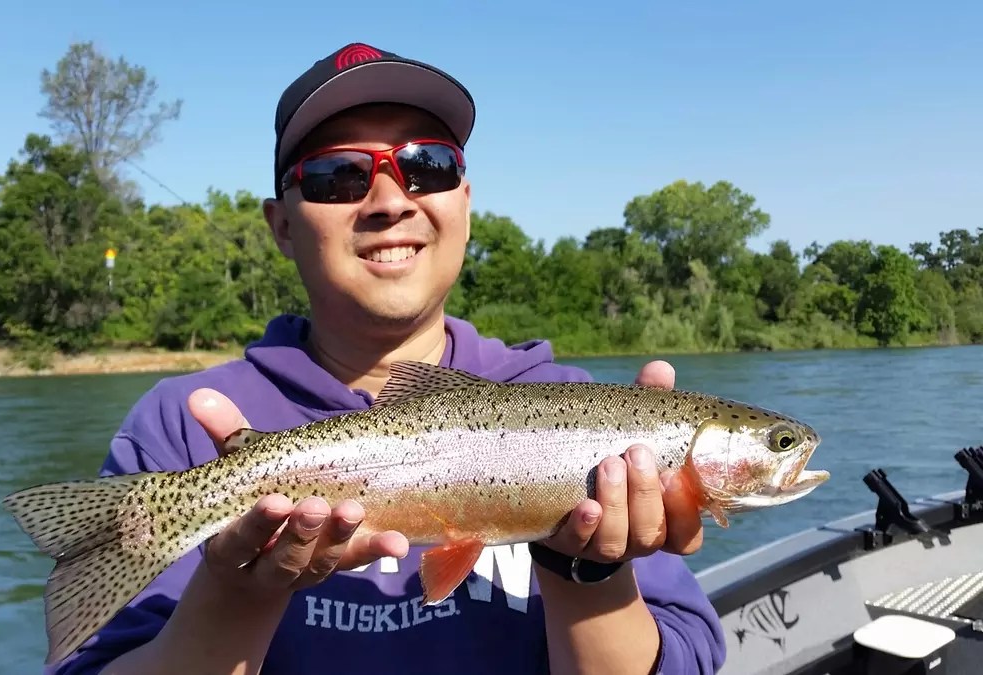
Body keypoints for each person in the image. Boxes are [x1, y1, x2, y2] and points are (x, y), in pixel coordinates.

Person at [52, 42, 726, 675]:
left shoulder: (585, 418)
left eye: (427, 165)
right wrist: (235, 594)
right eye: (337, 176)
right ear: (281, 224)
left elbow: (689, 656)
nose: (389, 200)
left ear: (464, 199)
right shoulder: (182, 428)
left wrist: (590, 567)